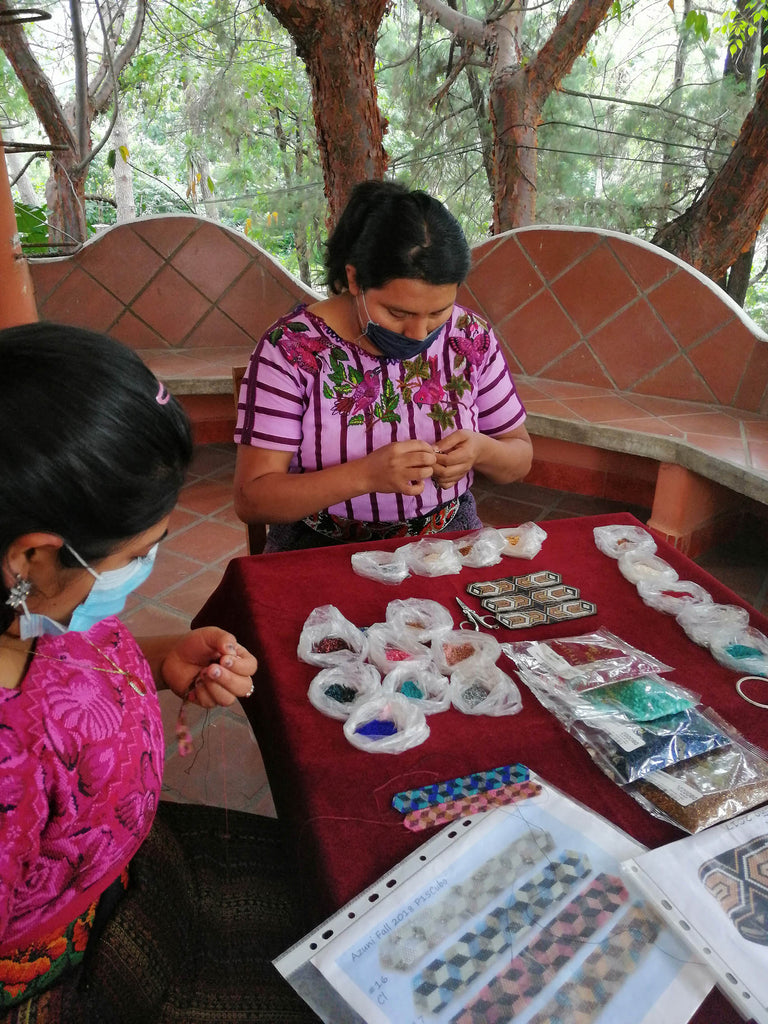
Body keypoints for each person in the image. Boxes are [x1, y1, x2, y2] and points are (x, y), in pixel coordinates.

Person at [0, 323, 260, 1012]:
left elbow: (69, 655)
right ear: (30, 558)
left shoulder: (33, 610)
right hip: (62, 964)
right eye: (137, 552)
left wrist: (155, 654)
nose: (146, 569)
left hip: (122, 876)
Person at [233, 179, 533, 552]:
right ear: (355, 278)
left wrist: (481, 450)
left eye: (438, 312)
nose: (417, 333)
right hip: (320, 544)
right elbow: (251, 499)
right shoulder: (292, 350)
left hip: (447, 537)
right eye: (397, 313)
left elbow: (519, 456)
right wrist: (364, 475)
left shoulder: (468, 337)